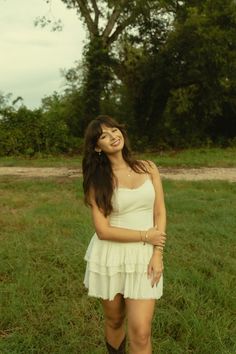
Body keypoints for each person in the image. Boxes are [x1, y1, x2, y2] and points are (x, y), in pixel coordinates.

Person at [82, 115, 167, 354]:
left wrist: (157, 253)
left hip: (145, 256)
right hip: (109, 255)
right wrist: (144, 235)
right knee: (115, 321)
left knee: (141, 331)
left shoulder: (148, 168)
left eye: (114, 130)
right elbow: (103, 230)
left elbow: (159, 212)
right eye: (104, 135)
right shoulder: (97, 181)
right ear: (98, 147)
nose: (112, 136)